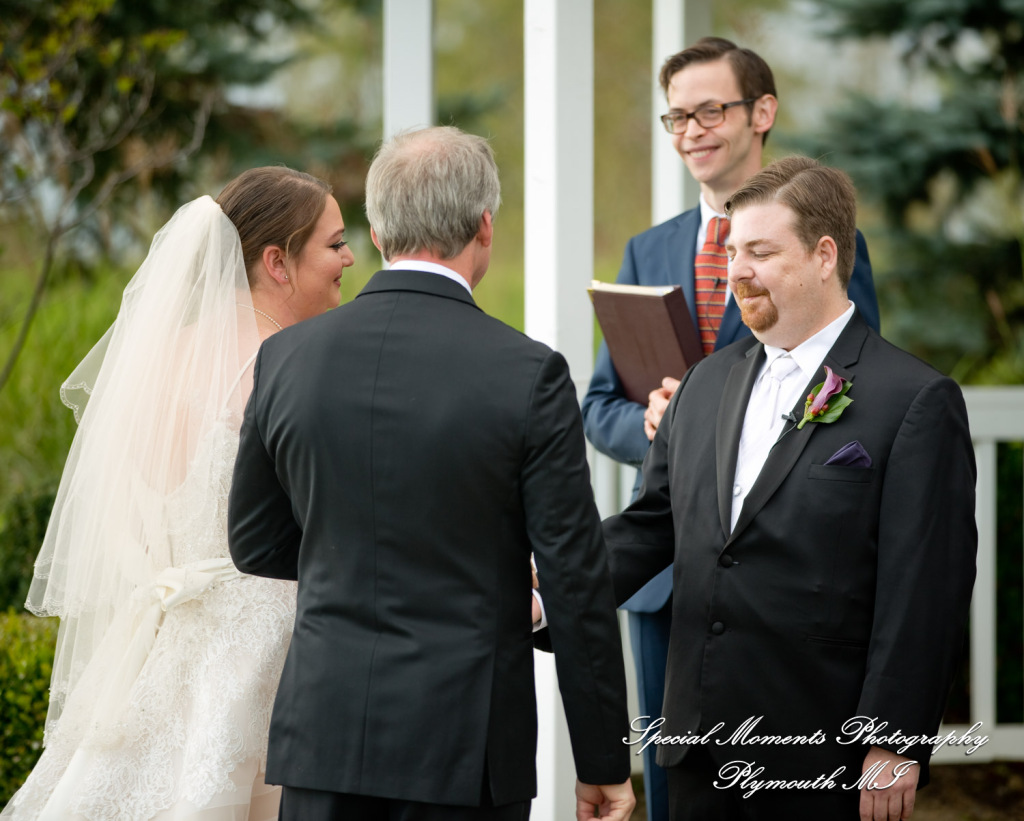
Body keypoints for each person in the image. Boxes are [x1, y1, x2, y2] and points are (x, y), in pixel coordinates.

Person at [227, 126, 634, 821]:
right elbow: (575, 578)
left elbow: (255, 542)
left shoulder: (287, 358)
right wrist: (603, 761)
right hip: (465, 748)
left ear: (380, 231)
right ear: (484, 228)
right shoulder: (527, 373)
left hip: (325, 736)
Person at [602, 155, 977, 820]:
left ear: (824, 255)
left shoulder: (914, 399)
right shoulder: (703, 383)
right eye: (732, 250)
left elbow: (926, 586)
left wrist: (893, 738)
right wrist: (550, 588)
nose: (736, 270)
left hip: (820, 754)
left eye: (761, 251)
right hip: (698, 748)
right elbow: (654, 525)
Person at [580, 37, 881, 821]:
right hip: (662, 569)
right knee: (673, 788)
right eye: (677, 116)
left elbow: (854, 390)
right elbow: (599, 403)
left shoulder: (833, 248)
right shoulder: (649, 250)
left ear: (762, 113)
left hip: (781, 586)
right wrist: (660, 428)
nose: (691, 130)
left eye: (709, 109)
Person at [2, 166, 356, 820]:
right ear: (277, 261)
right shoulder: (292, 370)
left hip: (164, 641)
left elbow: (134, 514)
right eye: (334, 243)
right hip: (269, 653)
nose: (349, 256)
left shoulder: (160, 361)